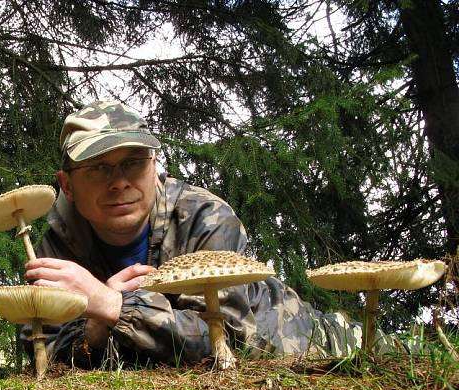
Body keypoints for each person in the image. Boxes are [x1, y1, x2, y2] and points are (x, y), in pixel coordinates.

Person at [23, 99, 370, 368]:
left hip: (300, 337)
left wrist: (112, 305)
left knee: (389, 350)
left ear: (155, 166)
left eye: (135, 162)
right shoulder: (57, 243)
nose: (120, 182)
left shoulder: (204, 217)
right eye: (99, 168)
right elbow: (45, 350)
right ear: (67, 185)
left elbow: (226, 339)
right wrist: (95, 327)